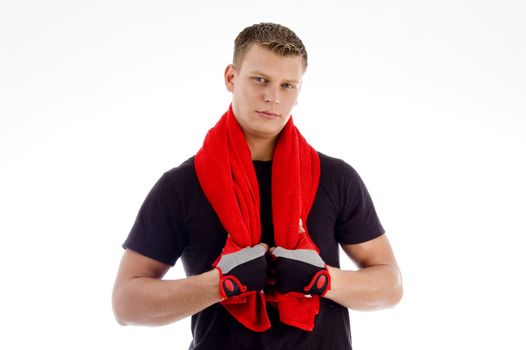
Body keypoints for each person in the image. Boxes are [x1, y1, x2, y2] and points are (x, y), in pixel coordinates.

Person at [112, 22, 403, 349]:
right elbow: (127, 304)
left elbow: (390, 286)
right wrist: (220, 284)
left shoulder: (335, 177)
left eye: (287, 85)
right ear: (231, 78)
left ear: (299, 91)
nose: (273, 97)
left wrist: (322, 279)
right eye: (260, 80)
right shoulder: (181, 185)